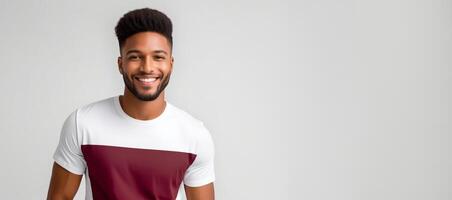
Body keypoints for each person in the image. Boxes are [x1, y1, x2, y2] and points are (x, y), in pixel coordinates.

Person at [46, 8, 215, 200]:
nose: (147, 68)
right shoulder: (83, 123)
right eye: (135, 57)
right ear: (120, 64)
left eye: (158, 57)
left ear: (171, 64)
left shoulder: (194, 135)